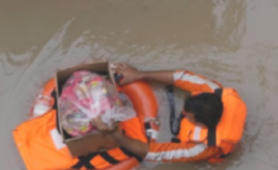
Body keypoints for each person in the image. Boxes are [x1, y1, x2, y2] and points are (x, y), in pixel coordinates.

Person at [94, 64, 247, 163]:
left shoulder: (202, 149)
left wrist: (115, 134)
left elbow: (154, 153)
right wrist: (139, 75)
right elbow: (181, 77)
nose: (184, 113)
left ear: (200, 124)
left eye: (188, 116)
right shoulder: (213, 90)